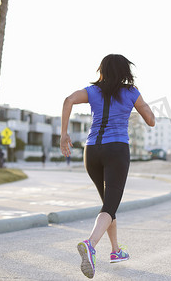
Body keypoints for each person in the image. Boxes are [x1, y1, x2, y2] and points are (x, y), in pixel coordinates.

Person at [60, 54, 155, 278]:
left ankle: (115, 251)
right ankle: (90, 245)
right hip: (116, 151)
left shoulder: (93, 91)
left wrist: (64, 135)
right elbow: (151, 120)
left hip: (91, 152)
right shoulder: (131, 92)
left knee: (107, 204)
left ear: (101, 70)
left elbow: (68, 100)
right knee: (109, 206)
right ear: (125, 71)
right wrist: (142, 105)